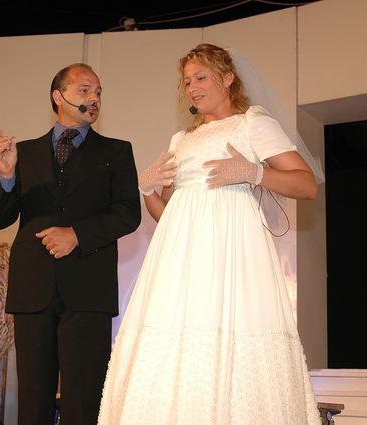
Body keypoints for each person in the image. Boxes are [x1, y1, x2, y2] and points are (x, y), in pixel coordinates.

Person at [97, 43, 322, 425]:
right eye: (187, 82)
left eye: (200, 78)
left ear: (227, 78)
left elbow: (306, 184)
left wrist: (254, 173)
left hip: (230, 249)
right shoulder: (180, 140)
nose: (192, 88)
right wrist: (148, 190)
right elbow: (167, 214)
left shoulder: (251, 123)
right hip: (180, 257)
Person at [0, 63, 141, 425]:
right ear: (58, 96)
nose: (94, 98)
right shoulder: (23, 152)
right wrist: (6, 176)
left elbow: (128, 214)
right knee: (32, 399)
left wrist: (76, 235)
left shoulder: (116, 152)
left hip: (89, 289)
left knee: (84, 399)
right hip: (32, 288)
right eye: (85, 90)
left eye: (98, 92)